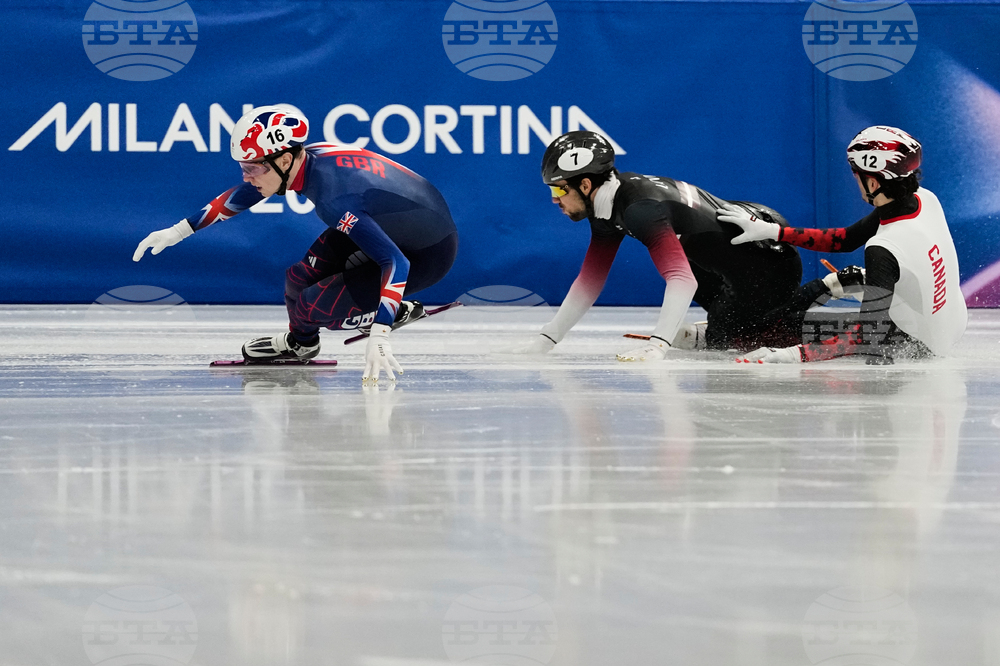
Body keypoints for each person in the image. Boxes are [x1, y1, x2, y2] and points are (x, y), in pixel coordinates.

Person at [133, 105, 459, 382]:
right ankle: (301, 344)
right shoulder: (306, 161)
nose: (246, 176)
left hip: (425, 253)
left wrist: (381, 332)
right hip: (398, 226)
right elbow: (245, 194)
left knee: (312, 305)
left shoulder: (334, 199)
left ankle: (392, 310)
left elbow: (396, 262)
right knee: (298, 279)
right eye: (243, 167)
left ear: (285, 161)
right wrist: (178, 231)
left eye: (252, 167)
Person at [517, 130, 804, 360]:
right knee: (694, 268)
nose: (555, 200)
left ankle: (790, 313)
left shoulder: (639, 208)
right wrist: (547, 339)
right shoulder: (609, 206)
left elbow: (682, 281)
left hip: (770, 270)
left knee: (735, 329)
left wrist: (658, 345)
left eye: (558, 189)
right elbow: (590, 280)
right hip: (740, 265)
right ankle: (726, 328)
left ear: (586, 185)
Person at [719, 125, 967, 364]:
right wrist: (772, 231)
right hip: (951, 326)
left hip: (915, 346)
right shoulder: (924, 199)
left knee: (793, 324)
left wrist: (795, 354)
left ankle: (726, 337)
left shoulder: (883, 248)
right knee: (842, 291)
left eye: (856, 175)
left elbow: (870, 333)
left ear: (872, 183)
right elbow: (845, 239)